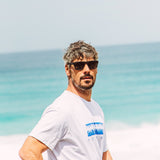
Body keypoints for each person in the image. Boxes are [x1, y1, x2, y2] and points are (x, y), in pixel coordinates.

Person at [19, 41, 113, 160]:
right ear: (68, 70)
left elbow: (104, 154)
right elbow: (28, 151)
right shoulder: (62, 109)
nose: (87, 70)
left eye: (92, 64)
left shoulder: (96, 108)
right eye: (79, 66)